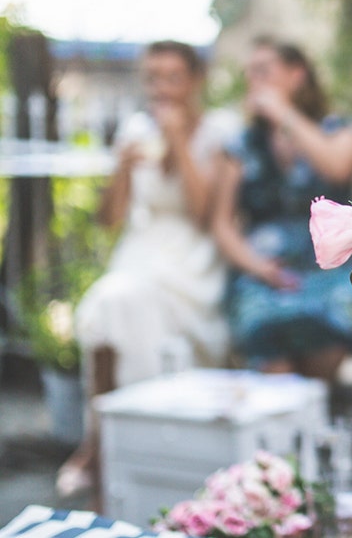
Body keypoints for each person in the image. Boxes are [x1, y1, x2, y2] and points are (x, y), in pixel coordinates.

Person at [59, 40, 235, 497]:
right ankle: (105, 442)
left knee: (117, 306)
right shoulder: (136, 129)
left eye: (172, 77)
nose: (161, 88)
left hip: (191, 262)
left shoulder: (216, 132)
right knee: (112, 305)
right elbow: (108, 219)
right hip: (139, 253)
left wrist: (178, 140)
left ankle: (107, 447)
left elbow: (204, 214)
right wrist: (121, 169)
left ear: (195, 81)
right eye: (152, 77)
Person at [211, 37, 352, 384]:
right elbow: (221, 225)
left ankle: (313, 429)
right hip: (262, 273)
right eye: (250, 73)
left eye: (264, 71)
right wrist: (260, 268)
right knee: (271, 367)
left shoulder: (339, 130)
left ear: (297, 75)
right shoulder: (241, 145)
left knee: (324, 355)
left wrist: (283, 115)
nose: (254, 80)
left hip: (330, 272)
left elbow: (337, 168)